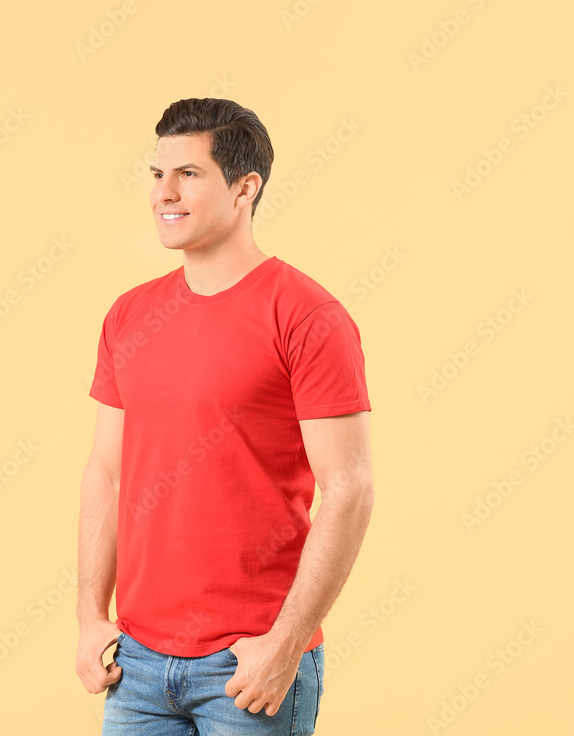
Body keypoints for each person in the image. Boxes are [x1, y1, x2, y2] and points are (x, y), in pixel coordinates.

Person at [76, 97, 374, 736]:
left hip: (247, 665)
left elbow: (350, 490)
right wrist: (88, 618)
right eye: (157, 175)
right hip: (136, 666)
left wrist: (285, 645)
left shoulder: (307, 317)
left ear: (246, 188)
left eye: (188, 174)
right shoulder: (129, 316)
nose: (165, 193)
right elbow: (105, 473)